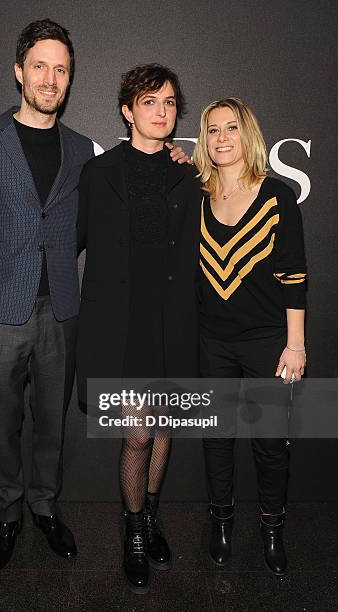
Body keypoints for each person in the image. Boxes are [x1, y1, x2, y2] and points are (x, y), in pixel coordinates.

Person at [0, 19, 188, 572]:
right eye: (40, 66)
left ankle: (44, 508)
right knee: (3, 422)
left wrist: (175, 157)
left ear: (69, 78)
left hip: (63, 307)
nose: (51, 78)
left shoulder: (83, 151)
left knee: (51, 421)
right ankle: (7, 515)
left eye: (61, 69)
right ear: (18, 72)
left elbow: (115, 209)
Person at [76, 64, 201, 593]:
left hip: (173, 318)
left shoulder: (188, 172)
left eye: (170, 103)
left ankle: (151, 517)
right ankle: (133, 531)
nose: (161, 112)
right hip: (119, 323)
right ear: (128, 111)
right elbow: (72, 241)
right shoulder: (98, 172)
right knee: (138, 432)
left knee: (166, 427)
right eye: (150, 102)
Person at [194, 97, 307, 575]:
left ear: (249, 135)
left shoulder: (278, 196)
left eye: (232, 128)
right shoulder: (195, 195)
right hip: (210, 341)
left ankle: (272, 529)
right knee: (217, 438)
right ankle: (221, 524)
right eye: (213, 130)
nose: (222, 138)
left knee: (269, 441)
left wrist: (295, 345)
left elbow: (295, 277)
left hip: (267, 342)